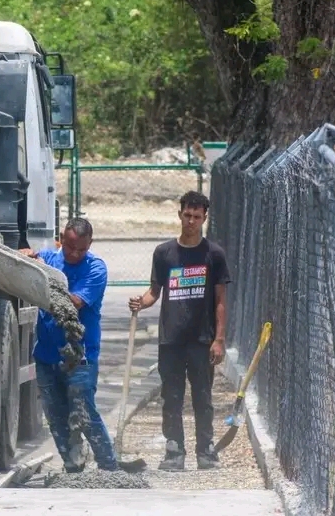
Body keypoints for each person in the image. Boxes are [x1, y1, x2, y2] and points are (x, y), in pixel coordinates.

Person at [128, 191, 231, 472]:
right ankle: (174, 451)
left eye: (197, 217)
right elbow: (154, 293)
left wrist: (219, 339)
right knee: (171, 397)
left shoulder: (214, 254)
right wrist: (141, 302)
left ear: (204, 219)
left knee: (203, 398)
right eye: (187, 215)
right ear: (179, 215)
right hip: (170, 340)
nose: (191, 221)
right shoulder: (164, 253)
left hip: (201, 339)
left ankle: (206, 451)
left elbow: (220, 300)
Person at [19, 217, 118, 473]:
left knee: (84, 414)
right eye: (70, 247)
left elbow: (72, 303)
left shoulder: (96, 269)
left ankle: (109, 468)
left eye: (81, 249)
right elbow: (21, 267)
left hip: (80, 356)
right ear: (61, 239)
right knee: (55, 416)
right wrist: (25, 259)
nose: (74, 254)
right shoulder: (50, 260)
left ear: (90, 244)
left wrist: (42, 275)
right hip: (46, 356)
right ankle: (73, 468)